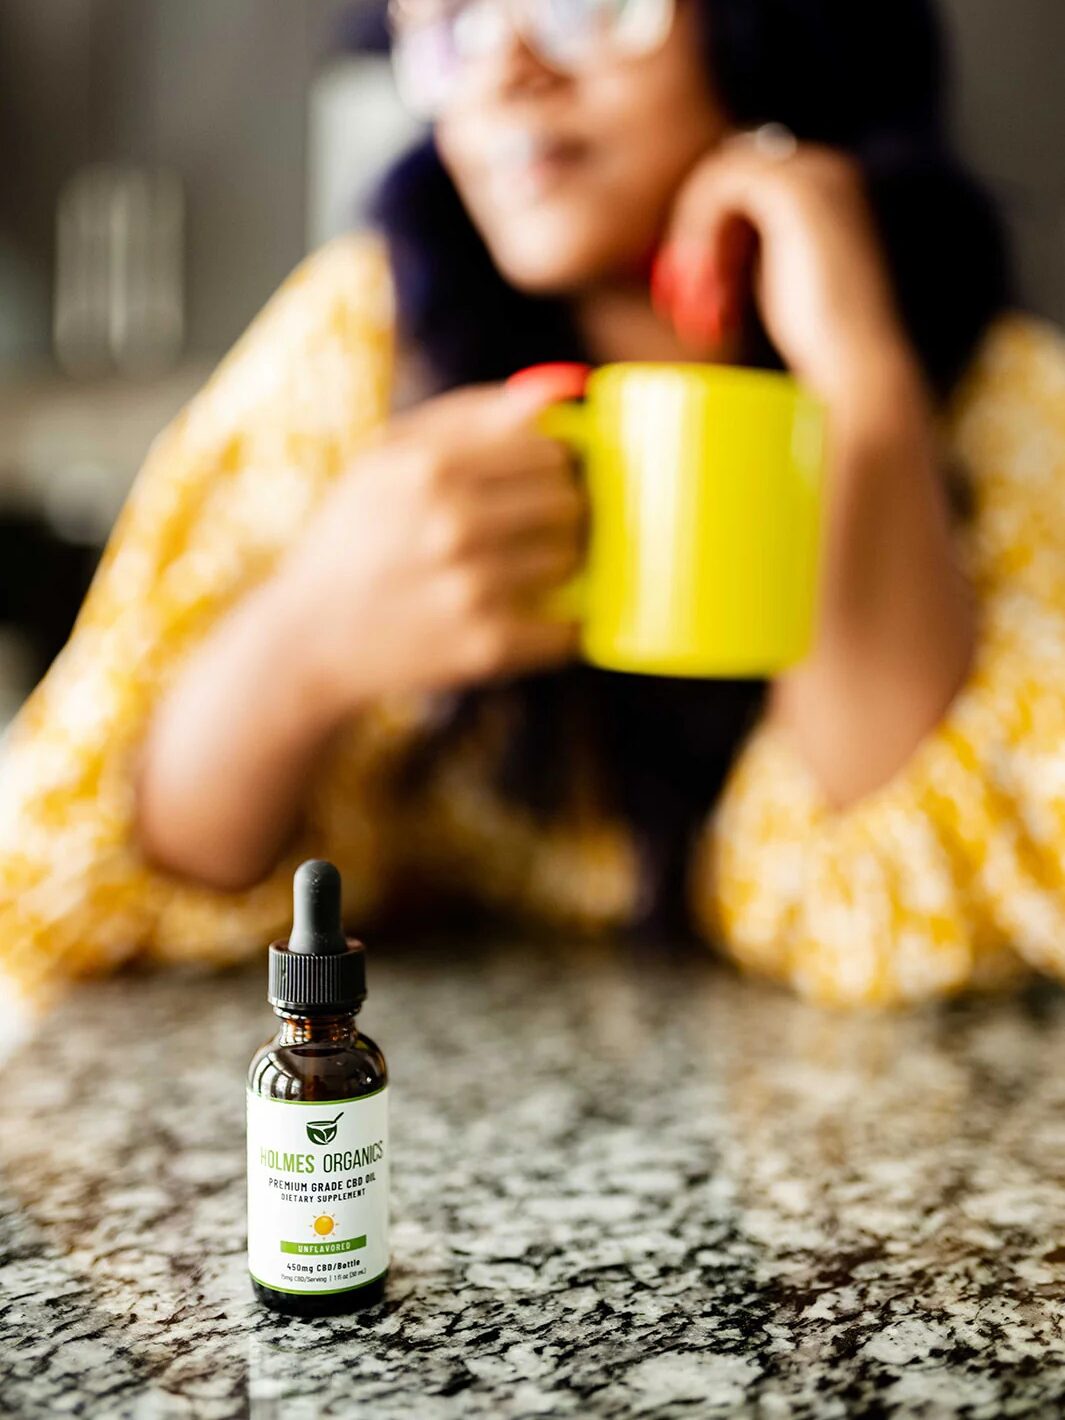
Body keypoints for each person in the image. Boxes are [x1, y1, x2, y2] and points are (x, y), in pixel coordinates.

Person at [3, 0, 1064, 1041]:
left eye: (580, 7)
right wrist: (305, 638)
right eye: (449, 20)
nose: (502, 67)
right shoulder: (360, 350)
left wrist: (861, 383)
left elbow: (904, 927)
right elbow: (59, 883)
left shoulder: (992, 402)